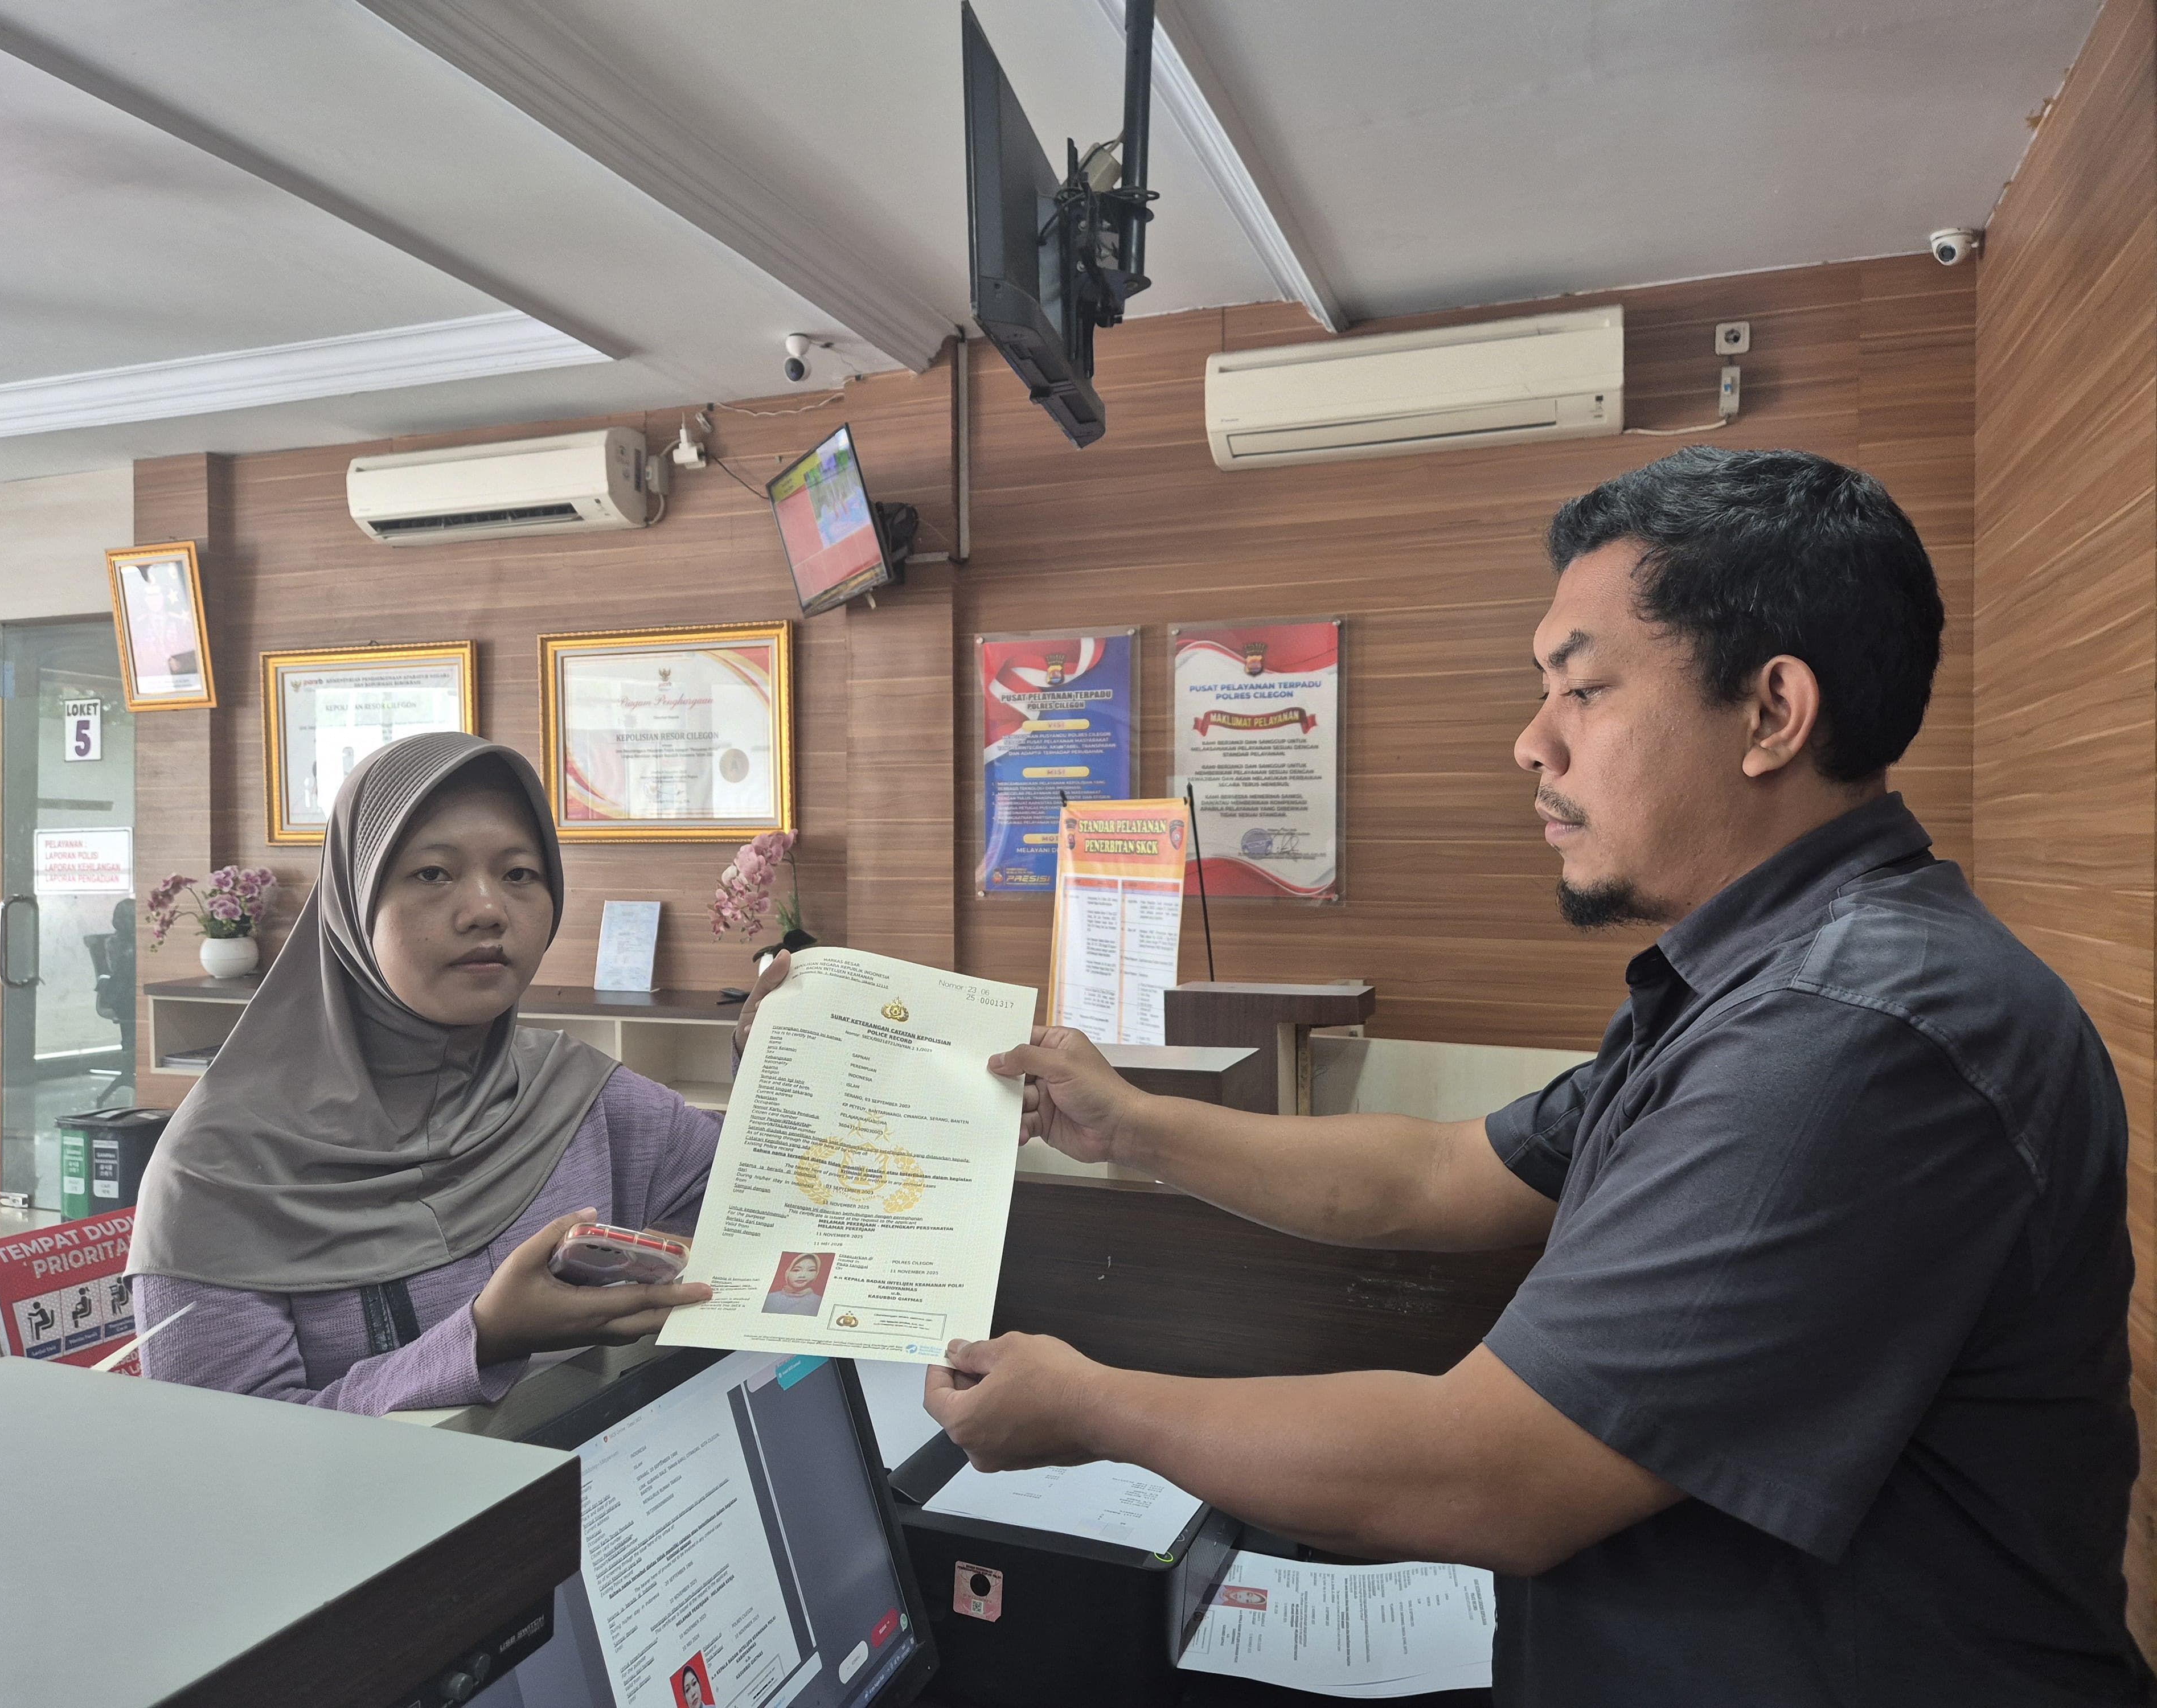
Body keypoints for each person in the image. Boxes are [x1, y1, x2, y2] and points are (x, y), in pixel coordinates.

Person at [926, 448, 2150, 1705]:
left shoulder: (1848, 1033)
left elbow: (1485, 1475)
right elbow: (1440, 1175)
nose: (1531, 744)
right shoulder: (1760, 977)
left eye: (1584, 690)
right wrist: (1131, 1128)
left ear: (1771, 713)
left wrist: (1091, 1409)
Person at [128, 733, 787, 1413]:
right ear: (354, 901)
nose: (487, 910)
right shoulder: (218, 1171)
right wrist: (483, 1339)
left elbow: (764, 1202)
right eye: (433, 874)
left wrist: (781, 1067)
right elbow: (223, 1450)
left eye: (519, 874)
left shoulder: (575, 1094)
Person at [761, 1252, 829, 1316]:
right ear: (787, 1272)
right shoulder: (769, 1299)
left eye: (811, 1270)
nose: (802, 1275)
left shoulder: (820, 1302)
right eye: (796, 1270)